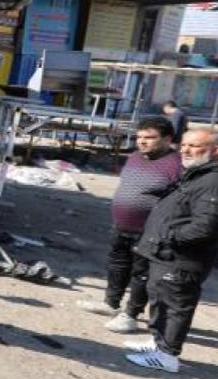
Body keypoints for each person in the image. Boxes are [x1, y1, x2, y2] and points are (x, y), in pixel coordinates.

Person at [124, 128, 218, 373]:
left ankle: (167, 355)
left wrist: (168, 238)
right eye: (184, 145)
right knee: (161, 301)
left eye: (194, 146)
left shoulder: (212, 181)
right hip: (167, 255)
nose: (185, 150)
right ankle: (159, 344)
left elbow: (205, 227)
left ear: (215, 151)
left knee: (175, 306)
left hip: (181, 258)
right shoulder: (196, 174)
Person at [77, 117, 182, 332]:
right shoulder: (135, 157)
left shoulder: (177, 164)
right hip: (122, 225)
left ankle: (131, 315)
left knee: (141, 273)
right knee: (117, 265)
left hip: (150, 232)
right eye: (139, 137)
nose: (142, 141)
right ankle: (111, 303)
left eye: (149, 137)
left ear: (167, 139)